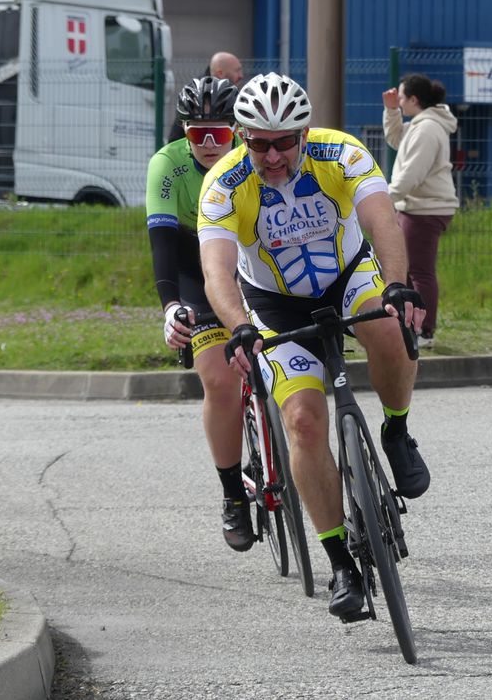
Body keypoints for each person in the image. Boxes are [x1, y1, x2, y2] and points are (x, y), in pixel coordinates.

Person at [198, 72, 430, 619]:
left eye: (284, 141)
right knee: (302, 420)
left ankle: (396, 430)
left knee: (389, 330)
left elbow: (382, 220)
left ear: (304, 133)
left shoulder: (341, 153)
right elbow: (217, 272)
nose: (273, 154)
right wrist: (239, 326)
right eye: (259, 142)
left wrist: (396, 284)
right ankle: (340, 564)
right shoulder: (225, 185)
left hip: (346, 277)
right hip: (274, 304)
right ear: (242, 136)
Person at [146, 75, 256, 553]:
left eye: (221, 133)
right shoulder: (167, 166)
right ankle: (234, 495)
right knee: (218, 378)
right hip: (196, 270)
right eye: (197, 134)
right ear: (183, 132)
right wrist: (170, 304)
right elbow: (163, 243)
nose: (210, 144)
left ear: (237, 130)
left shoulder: (256, 157)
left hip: (253, 264)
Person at [382, 74, 459, 347]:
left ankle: (424, 331)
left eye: (402, 99)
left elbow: (412, 172)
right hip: (416, 205)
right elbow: (396, 139)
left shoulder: (428, 129)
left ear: (414, 100)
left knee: (419, 271)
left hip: (425, 209)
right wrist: (391, 111)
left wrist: (385, 198)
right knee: (405, 270)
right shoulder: (421, 124)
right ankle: (408, 324)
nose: (400, 102)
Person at [167, 52, 244, 142]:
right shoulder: (194, 95)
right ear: (220, 73)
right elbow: (177, 136)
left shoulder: (234, 93)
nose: (241, 76)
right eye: (237, 71)